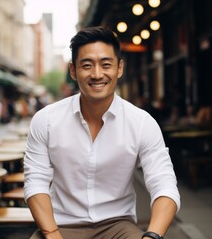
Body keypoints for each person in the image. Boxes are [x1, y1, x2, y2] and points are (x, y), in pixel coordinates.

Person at [24, 27, 180, 239]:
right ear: (73, 70)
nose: (97, 74)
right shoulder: (46, 120)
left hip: (118, 225)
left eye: (106, 65)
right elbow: (36, 182)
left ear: (119, 68)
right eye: (87, 65)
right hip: (61, 224)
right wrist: (52, 234)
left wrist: (152, 236)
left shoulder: (142, 123)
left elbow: (164, 186)